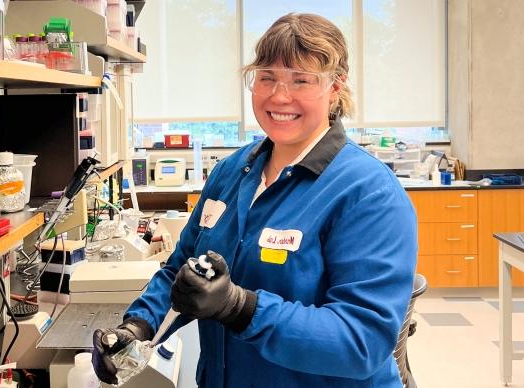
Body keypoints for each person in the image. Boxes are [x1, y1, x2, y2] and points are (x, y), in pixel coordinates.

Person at [92, 13, 417, 388]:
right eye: (267, 78)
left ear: (335, 87)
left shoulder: (368, 192)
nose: (279, 96)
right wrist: (138, 327)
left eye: (301, 80)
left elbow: (362, 342)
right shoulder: (232, 172)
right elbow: (183, 272)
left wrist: (241, 308)